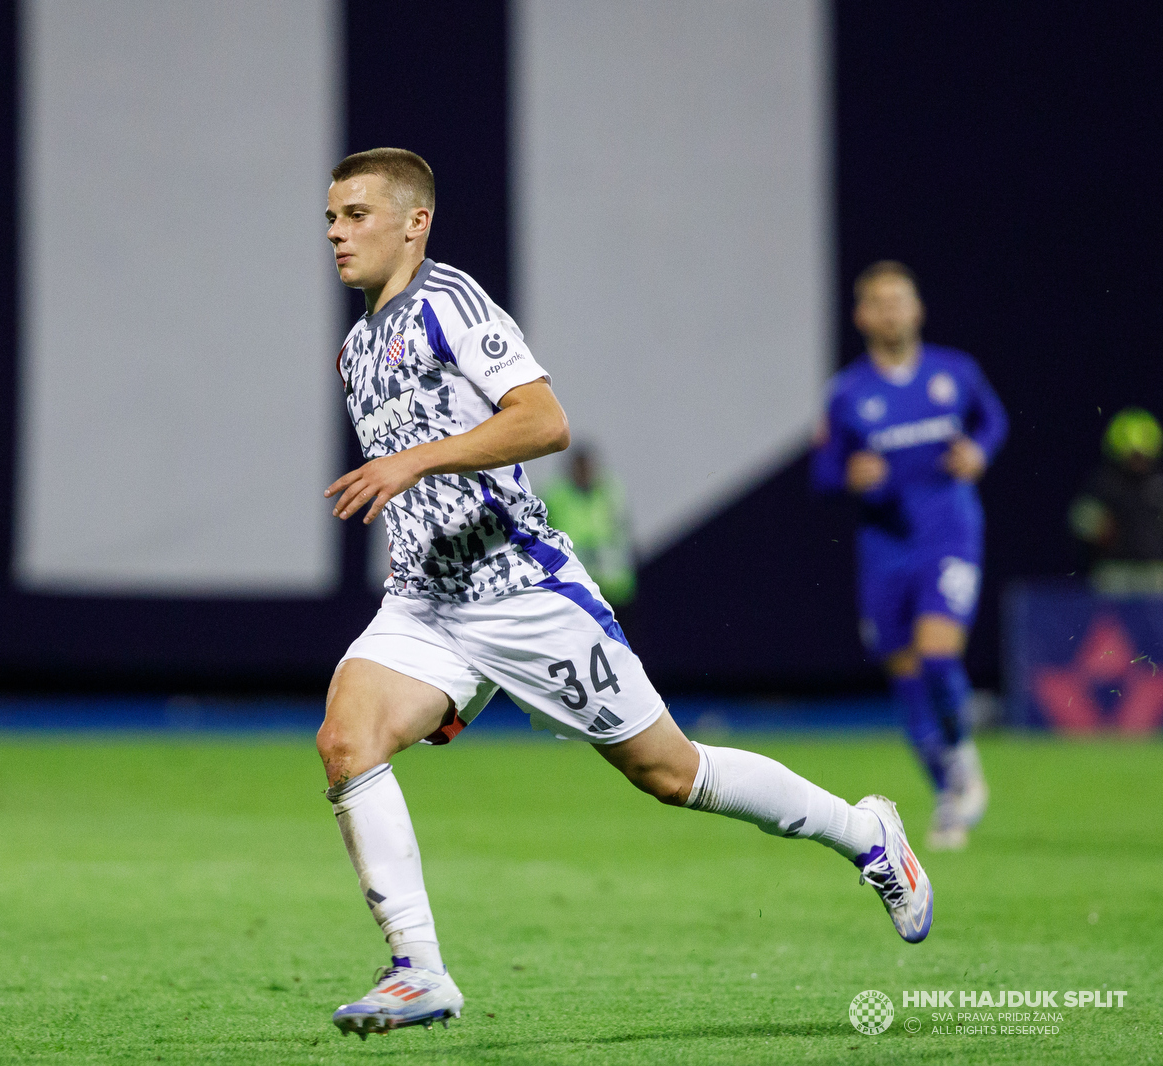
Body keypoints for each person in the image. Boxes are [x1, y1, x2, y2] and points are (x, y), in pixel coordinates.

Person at [318, 150, 933, 1040]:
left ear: (415, 223)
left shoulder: (451, 303)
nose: (338, 232)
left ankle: (866, 834)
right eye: (332, 218)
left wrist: (413, 460)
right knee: (346, 740)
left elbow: (543, 421)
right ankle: (419, 968)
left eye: (358, 215)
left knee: (672, 773)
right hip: (425, 604)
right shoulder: (357, 346)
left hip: (522, 592)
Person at [811, 261, 1008, 851]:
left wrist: (979, 452)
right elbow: (823, 473)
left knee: (939, 658)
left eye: (902, 299)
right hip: (884, 548)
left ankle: (964, 764)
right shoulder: (848, 393)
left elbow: (992, 422)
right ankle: (949, 794)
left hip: (949, 535)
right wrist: (850, 473)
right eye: (880, 301)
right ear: (862, 316)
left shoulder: (955, 373)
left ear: (918, 309)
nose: (893, 311)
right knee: (906, 680)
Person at [1068, 407, 1163, 595]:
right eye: (1133, 454)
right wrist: (1100, 527)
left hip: (1155, 572)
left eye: (1142, 455)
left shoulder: (1158, 484)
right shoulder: (1103, 483)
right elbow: (1079, 522)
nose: (1138, 460)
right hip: (1114, 571)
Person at [540, 445, 635, 607]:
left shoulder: (610, 492)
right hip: (579, 591)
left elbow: (623, 535)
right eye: (580, 467)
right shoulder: (555, 498)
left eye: (588, 467)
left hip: (617, 589)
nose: (585, 472)